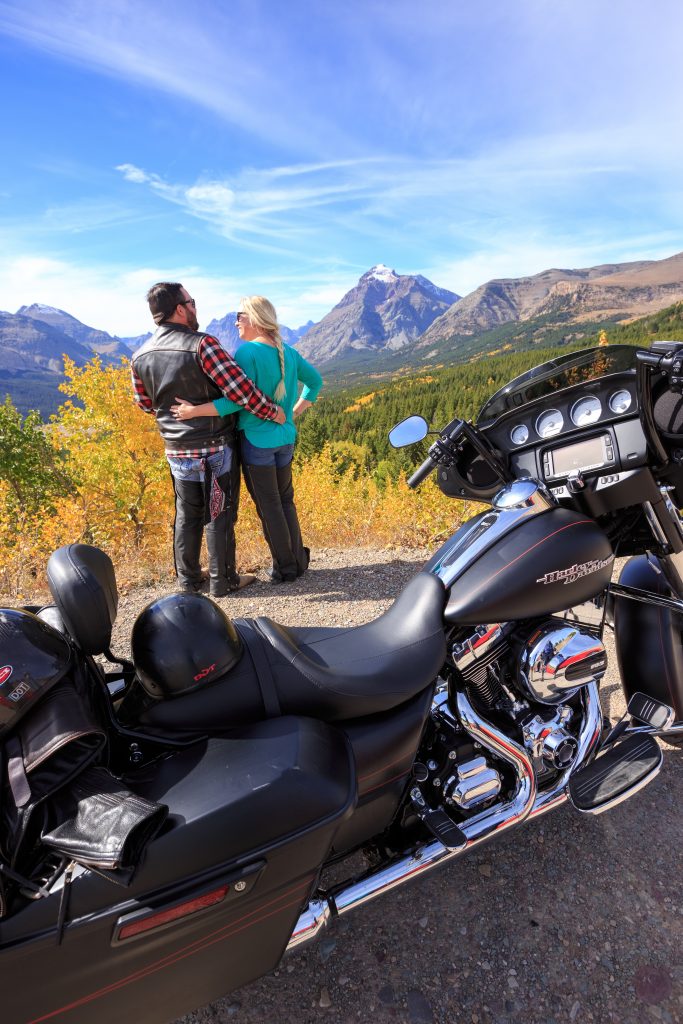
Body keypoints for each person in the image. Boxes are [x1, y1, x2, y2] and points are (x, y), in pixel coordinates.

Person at [131, 283, 286, 598]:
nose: (194, 307)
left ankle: (188, 580)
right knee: (220, 512)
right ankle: (223, 580)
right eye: (191, 302)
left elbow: (145, 404)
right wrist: (273, 412)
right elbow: (242, 392)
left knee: (186, 514)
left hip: (176, 451)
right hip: (215, 446)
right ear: (180, 308)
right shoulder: (203, 346)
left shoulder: (140, 355)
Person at [171, 295, 322, 583]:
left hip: (256, 441)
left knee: (270, 506)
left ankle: (286, 568)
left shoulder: (247, 353)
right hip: (285, 437)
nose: (236, 320)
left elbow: (235, 402)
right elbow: (315, 382)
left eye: (240, 315)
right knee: (286, 502)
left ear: (255, 318)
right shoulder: (288, 351)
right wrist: (292, 413)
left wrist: (193, 411)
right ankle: (297, 562)